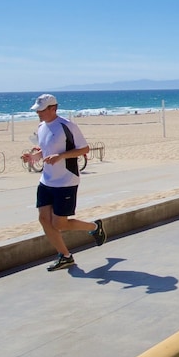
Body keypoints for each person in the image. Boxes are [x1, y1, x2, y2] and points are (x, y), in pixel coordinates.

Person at [22, 94, 106, 271]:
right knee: (44, 219)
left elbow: (84, 149)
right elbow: (44, 150)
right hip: (46, 180)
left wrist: (61, 156)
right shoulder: (41, 126)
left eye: (41, 109)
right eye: (37, 109)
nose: (38, 112)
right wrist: (33, 157)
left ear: (53, 108)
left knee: (59, 224)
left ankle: (94, 226)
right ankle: (65, 256)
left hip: (66, 181)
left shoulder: (67, 126)